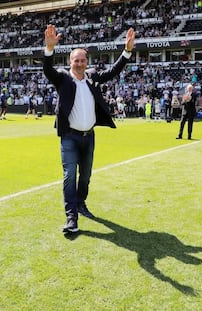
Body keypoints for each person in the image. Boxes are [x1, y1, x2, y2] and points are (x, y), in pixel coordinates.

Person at [43, 24, 135, 233]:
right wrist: (49, 50)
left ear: (87, 62)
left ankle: (81, 203)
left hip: (89, 136)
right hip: (69, 137)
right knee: (69, 175)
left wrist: (127, 51)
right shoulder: (62, 78)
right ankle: (71, 217)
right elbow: (47, 70)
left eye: (83, 60)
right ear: (70, 62)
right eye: (76, 60)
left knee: (85, 176)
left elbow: (113, 71)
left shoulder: (92, 76)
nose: (80, 63)